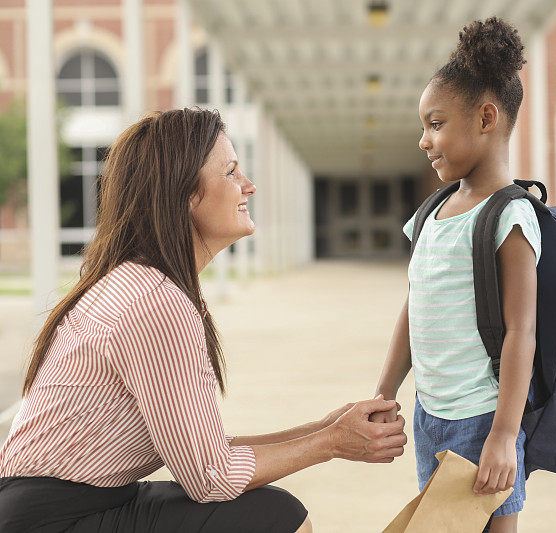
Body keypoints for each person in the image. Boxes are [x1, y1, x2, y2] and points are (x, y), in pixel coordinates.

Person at [0, 108, 407, 533]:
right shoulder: (154, 302)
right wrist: (331, 443)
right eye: (231, 172)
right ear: (185, 193)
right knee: (274, 516)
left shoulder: (141, 282)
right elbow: (210, 476)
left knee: (267, 508)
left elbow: (204, 454)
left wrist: (323, 428)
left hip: (59, 504)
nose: (248, 185)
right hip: (53, 519)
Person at [370, 18, 541, 533]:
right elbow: (414, 306)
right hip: (431, 416)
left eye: (436, 123)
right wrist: (385, 392)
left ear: (486, 117)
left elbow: (521, 332)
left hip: (484, 418)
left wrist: (505, 435)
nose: (424, 140)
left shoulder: (509, 217)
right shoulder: (432, 213)